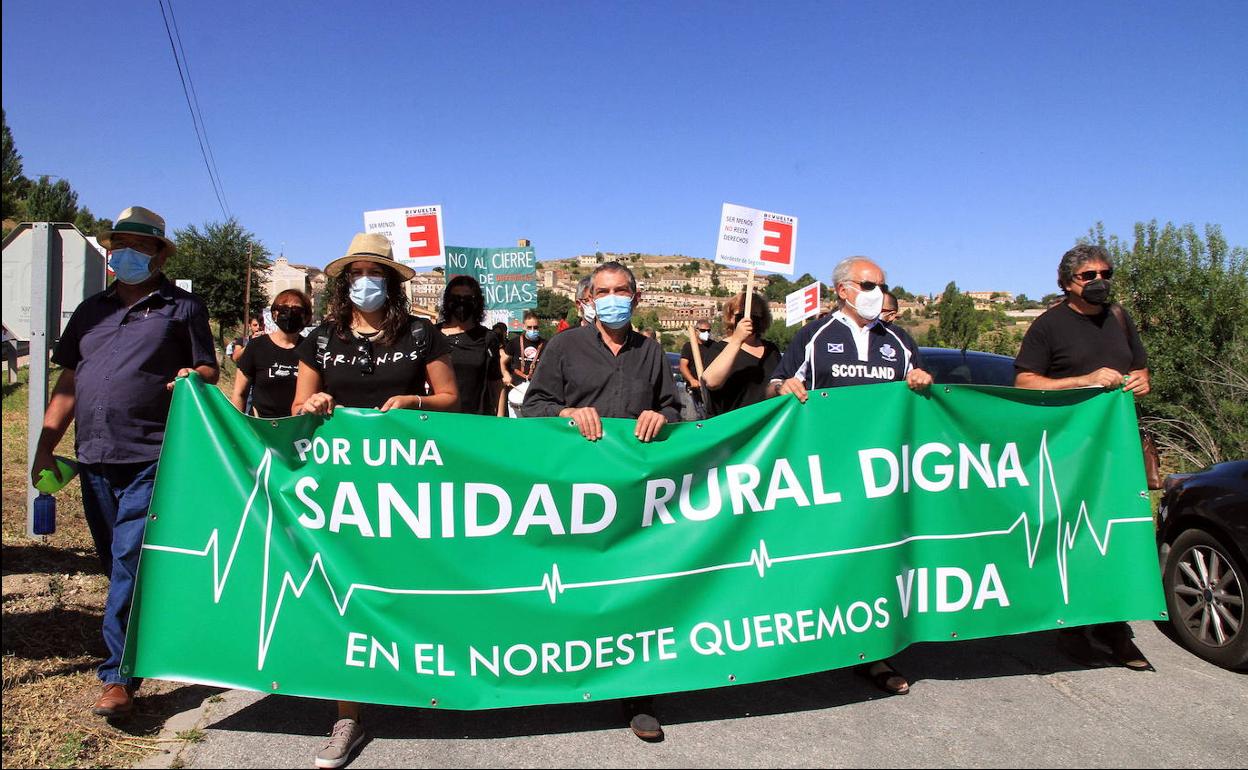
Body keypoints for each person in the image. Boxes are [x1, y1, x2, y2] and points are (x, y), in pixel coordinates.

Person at [30, 206, 219, 717]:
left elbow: (208, 368)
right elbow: (69, 381)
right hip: (93, 456)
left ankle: (118, 677)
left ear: (159, 254)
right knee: (114, 559)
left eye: (138, 246)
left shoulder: (183, 308)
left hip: (153, 455)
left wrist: (193, 375)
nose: (125, 254)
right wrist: (46, 443)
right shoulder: (91, 310)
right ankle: (150, 637)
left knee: (130, 561)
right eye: (118, 245)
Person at [291, 233, 458, 769]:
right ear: (345, 283)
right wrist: (313, 401)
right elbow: (299, 403)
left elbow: (453, 399)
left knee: (409, 586)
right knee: (347, 590)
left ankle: (427, 678)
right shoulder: (320, 338)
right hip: (341, 488)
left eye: (377, 273)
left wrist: (415, 400)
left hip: (409, 485)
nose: (367, 282)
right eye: (358, 273)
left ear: (391, 282)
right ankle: (348, 715)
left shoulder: (421, 334)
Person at [522, 261, 680, 742]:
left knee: (635, 591)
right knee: (579, 588)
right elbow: (534, 407)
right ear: (589, 299)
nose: (613, 298)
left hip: (634, 494)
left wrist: (661, 415)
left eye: (622, 291)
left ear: (636, 296)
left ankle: (639, 695)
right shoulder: (566, 346)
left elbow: (675, 407)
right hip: (576, 491)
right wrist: (567, 412)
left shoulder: (652, 351)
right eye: (604, 291)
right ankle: (569, 676)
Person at [769, 255, 932, 696]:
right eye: (867, 284)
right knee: (817, 560)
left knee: (874, 562)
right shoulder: (814, 335)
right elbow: (776, 385)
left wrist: (921, 383)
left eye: (881, 284)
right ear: (842, 290)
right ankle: (802, 642)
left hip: (879, 479)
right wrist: (784, 387)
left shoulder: (899, 341)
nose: (876, 292)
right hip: (822, 475)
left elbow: (919, 401)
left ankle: (873, 654)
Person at [1013, 243, 1152, 671]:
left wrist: (1142, 382)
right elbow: (1024, 383)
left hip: (1119, 447)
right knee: (1076, 537)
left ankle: (1116, 629)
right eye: (1087, 276)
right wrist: (1084, 381)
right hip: (1069, 451)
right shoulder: (1047, 326)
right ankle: (1073, 627)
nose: (1098, 282)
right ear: (1066, 282)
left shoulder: (1120, 319)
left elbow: (1142, 369)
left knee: (1121, 535)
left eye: (1104, 273)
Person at [231, 290, 311, 418]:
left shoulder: (310, 349)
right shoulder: (256, 346)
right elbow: (239, 393)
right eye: (283, 308)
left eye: (296, 309)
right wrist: (237, 427)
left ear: (306, 317)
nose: (289, 313)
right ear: (274, 314)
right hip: (260, 428)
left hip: (298, 430)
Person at [701, 295, 780, 416]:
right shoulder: (718, 349)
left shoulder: (772, 350)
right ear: (731, 317)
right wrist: (737, 340)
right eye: (743, 313)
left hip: (767, 425)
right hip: (734, 426)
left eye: (756, 313)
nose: (749, 318)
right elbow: (711, 381)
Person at [436, 275, 503, 416]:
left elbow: (496, 383)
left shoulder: (488, 338)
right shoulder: (432, 335)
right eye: (456, 298)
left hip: (476, 420)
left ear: (477, 302)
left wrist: (501, 422)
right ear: (447, 301)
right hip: (436, 420)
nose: (461, 303)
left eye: (467, 299)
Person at [502, 310, 544, 417]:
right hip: (516, 389)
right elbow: (502, 361)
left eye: (536, 327)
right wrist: (505, 374)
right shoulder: (514, 343)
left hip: (537, 392)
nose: (533, 330)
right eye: (529, 327)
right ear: (523, 327)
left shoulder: (545, 344)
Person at [679, 318, 717, 417]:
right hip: (693, 390)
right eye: (703, 331)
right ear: (696, 331)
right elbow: (683, 366)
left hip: (710, 390)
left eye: (708, 331)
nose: (706, 333)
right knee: (693, 417)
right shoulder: (688, 346)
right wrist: (692, 380)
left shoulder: (714, 346)